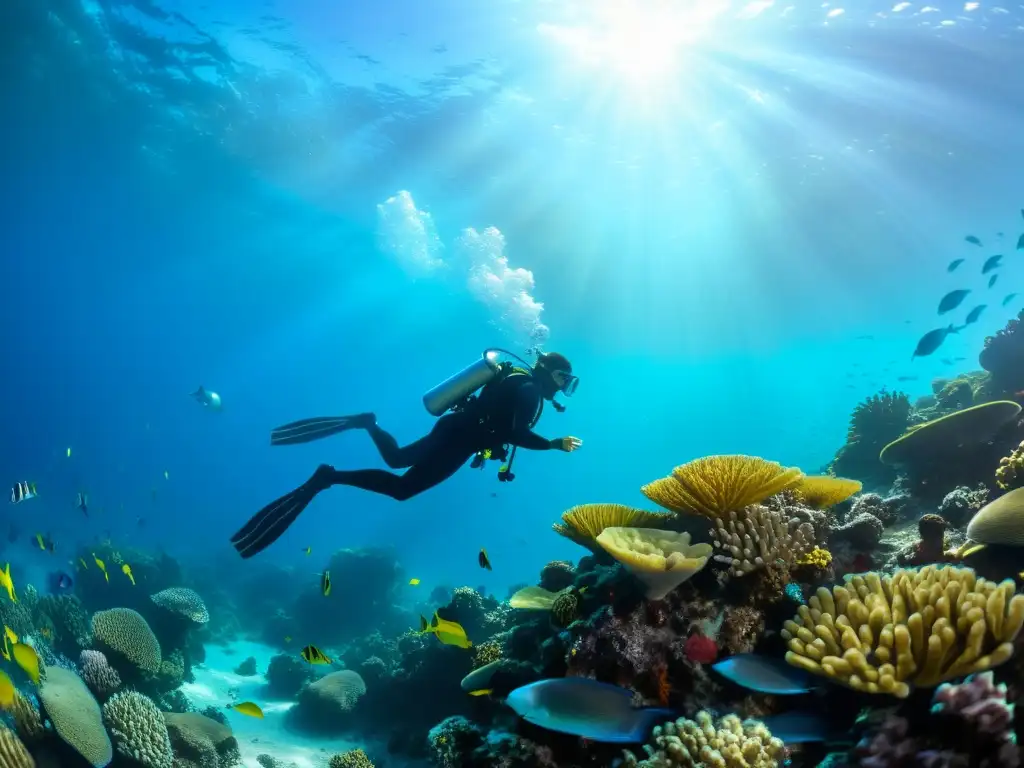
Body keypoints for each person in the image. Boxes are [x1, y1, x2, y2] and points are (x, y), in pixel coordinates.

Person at [231, 351, 583, 558]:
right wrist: (553, 444)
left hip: (454, 430)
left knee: (397, 461)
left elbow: (500, 424)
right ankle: (329, 476)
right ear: (552, 373)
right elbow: (513, 432)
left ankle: (366, 425)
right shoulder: (529, 390)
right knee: (401, 488)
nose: (563, 387)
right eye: (564, 379)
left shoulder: (518, 380)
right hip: (458, 439)